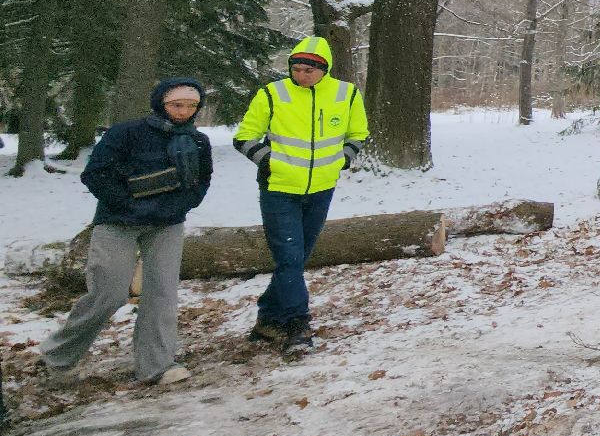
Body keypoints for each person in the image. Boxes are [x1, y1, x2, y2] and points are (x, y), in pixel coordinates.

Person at [40, 79, 212, 386]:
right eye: (176, 105)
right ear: (161, 103)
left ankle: (157, 365)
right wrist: (129, 204)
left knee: (161, 293)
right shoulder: (126, 133)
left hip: (167, 224)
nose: (183, 112)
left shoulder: (197, 141)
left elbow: (202, 180)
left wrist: (182, 204)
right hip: (118, 222)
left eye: (191, 106)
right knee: (108, 293)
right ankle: (60, 355)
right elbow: (95, 174)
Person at [233, 36, 368, 350]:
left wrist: (343, 159)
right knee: (289, 257)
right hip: (279, 189)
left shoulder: (346, 94)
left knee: (296, 258)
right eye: (296, 69)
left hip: (322, 188)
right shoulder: (272, 94)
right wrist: (268, 161)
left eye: (309, 70)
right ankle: (298, 322)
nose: (302, 75)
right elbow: (244, 137)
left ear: (325, 69)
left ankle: (268, 318)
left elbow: (358, 134)